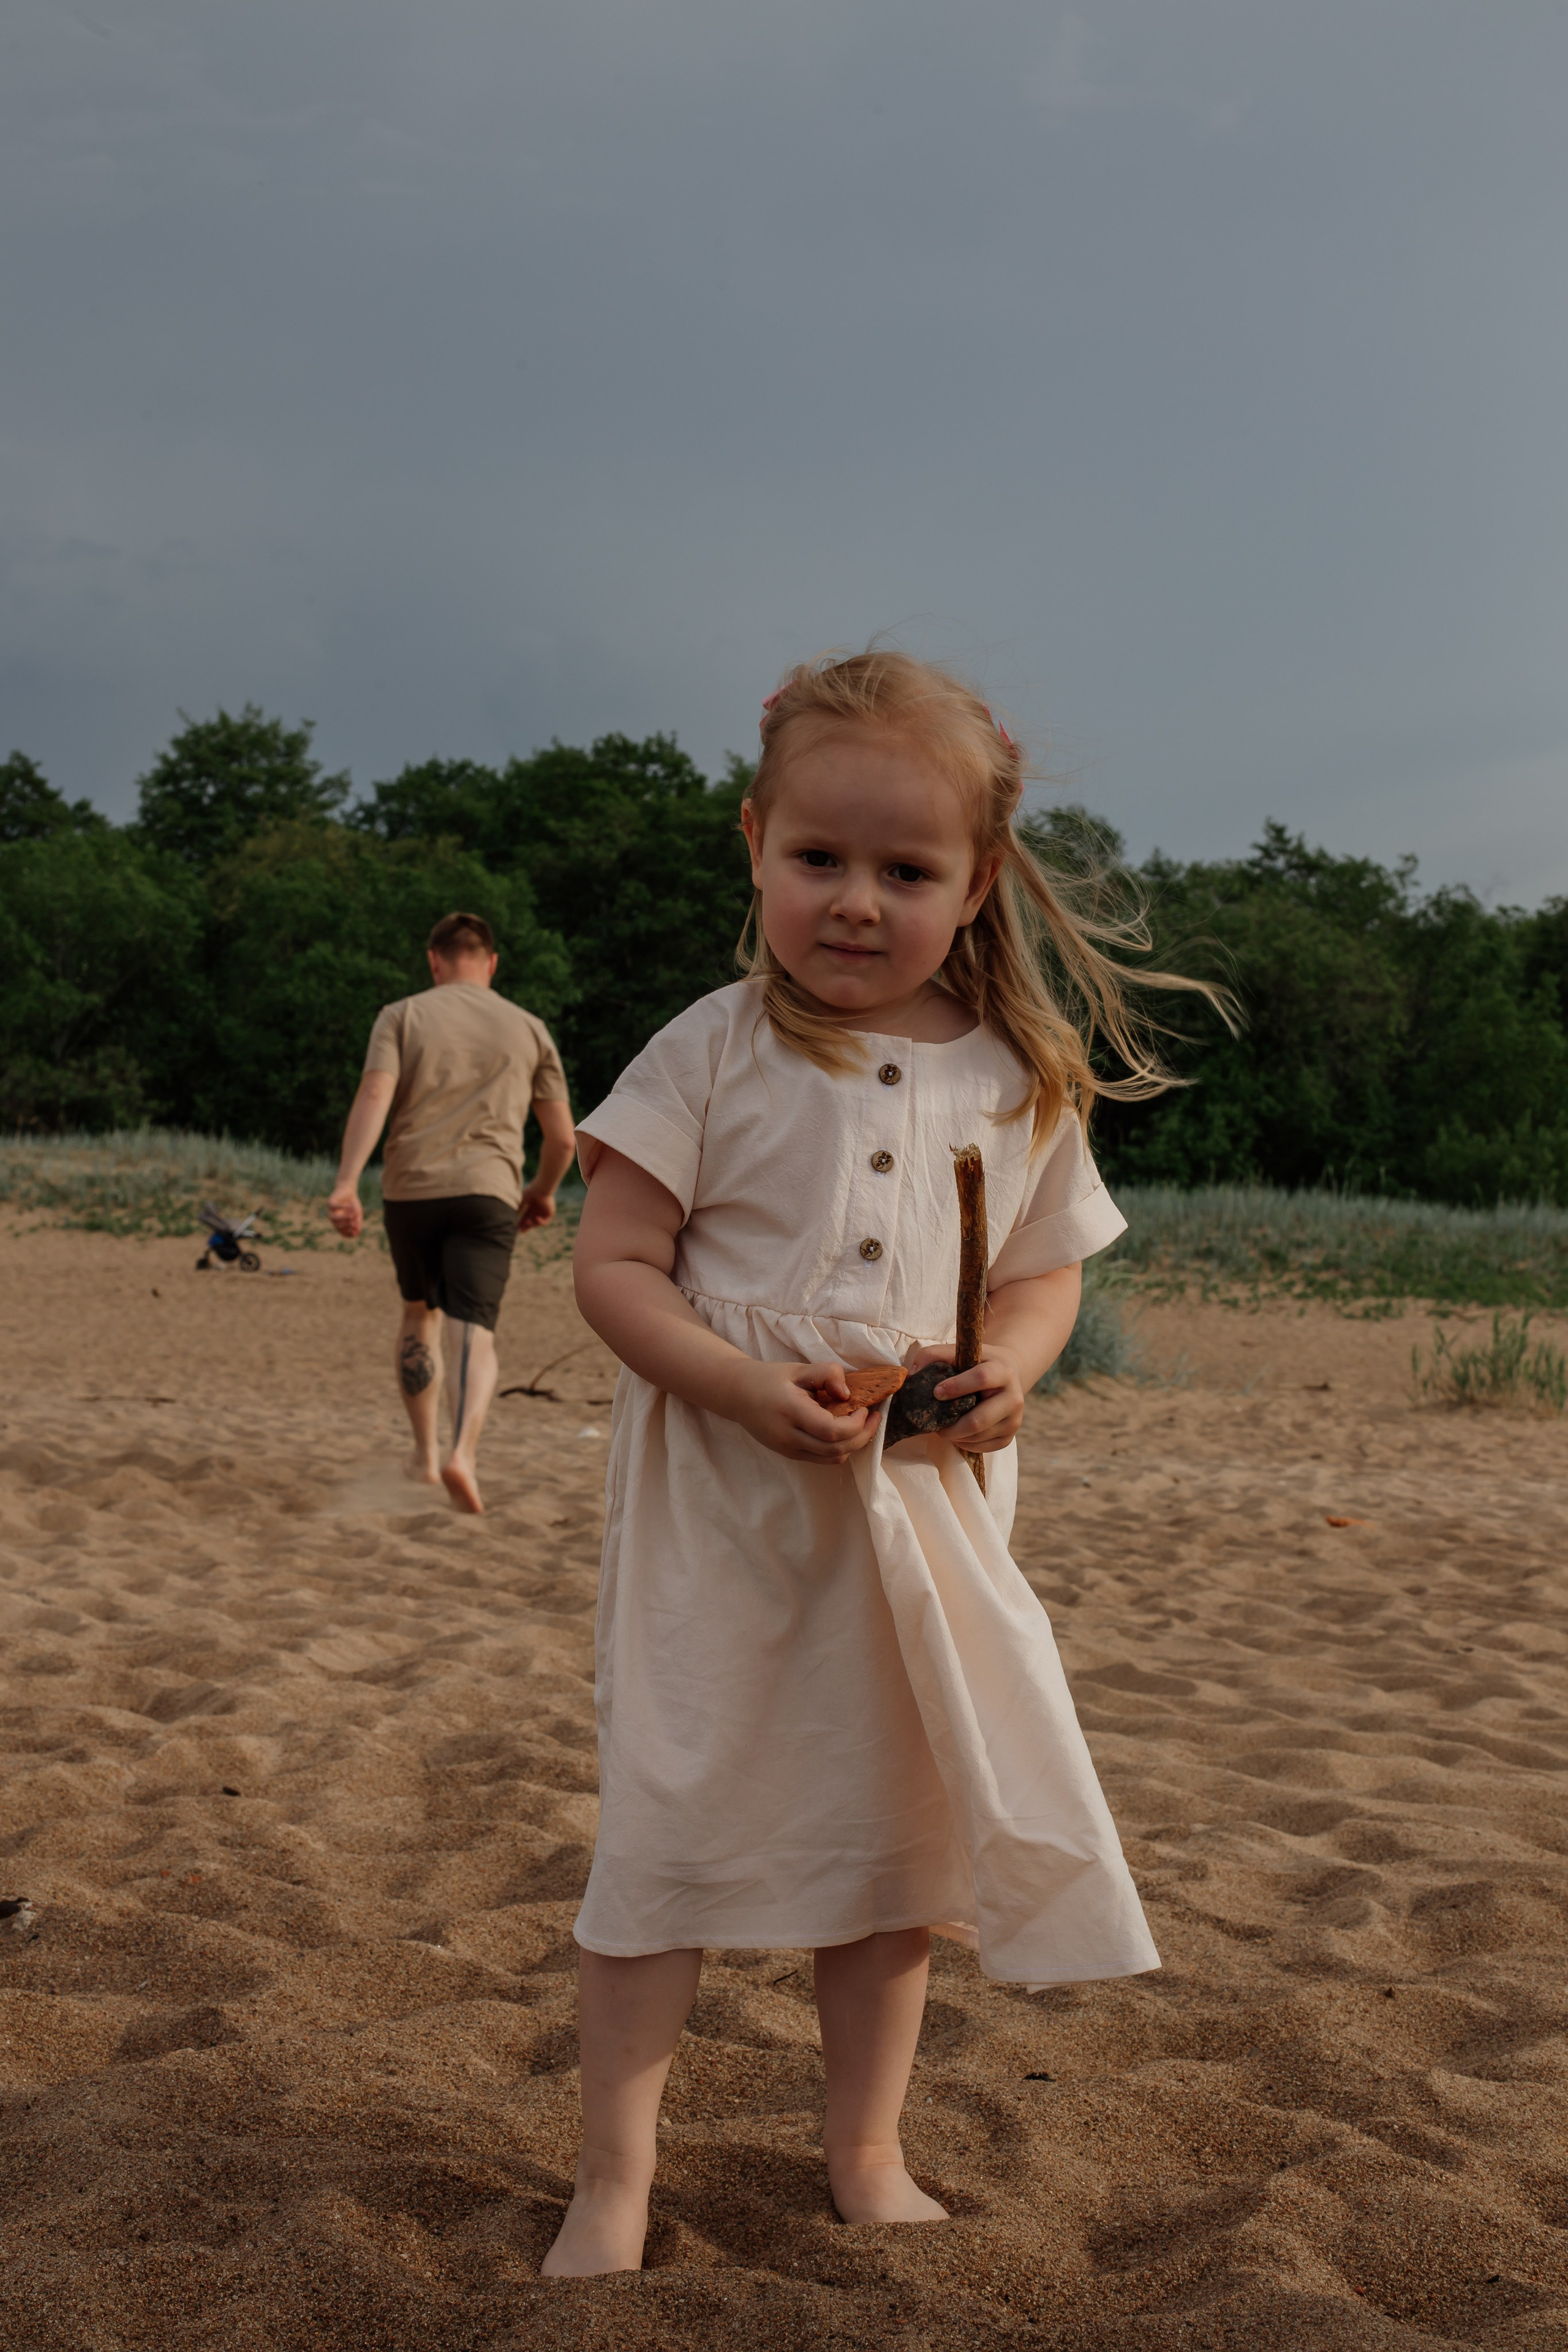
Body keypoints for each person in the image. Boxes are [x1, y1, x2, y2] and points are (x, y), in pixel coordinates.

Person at [543, 649, 1231, 2277]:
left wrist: (1014, 1374)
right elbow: (614, 1266)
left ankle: (865, 2148)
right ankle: (613, 2183)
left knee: (895, 1848)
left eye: (906, 871)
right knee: (667, 1830)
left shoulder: (1017, 1073)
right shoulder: (708, 1051)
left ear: (977, 880)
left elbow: (1044, 1277)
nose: (857, 903)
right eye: (819, 861)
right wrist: (739, 1380)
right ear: (755, 844)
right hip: (725, 1515)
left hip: (920, 1525)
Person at [328, 910, 576, 1515]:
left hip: (410, 1189)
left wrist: (345, 1183)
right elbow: (563, 1137)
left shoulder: (402, 1015)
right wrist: (541, 1191)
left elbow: (375, 1095)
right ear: (491, 963)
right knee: (475, 1327)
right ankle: (462, 1452)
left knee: (420, 1315)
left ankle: (423, 1455)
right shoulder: (528, 1028)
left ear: (433, 961)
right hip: (488, 1190)